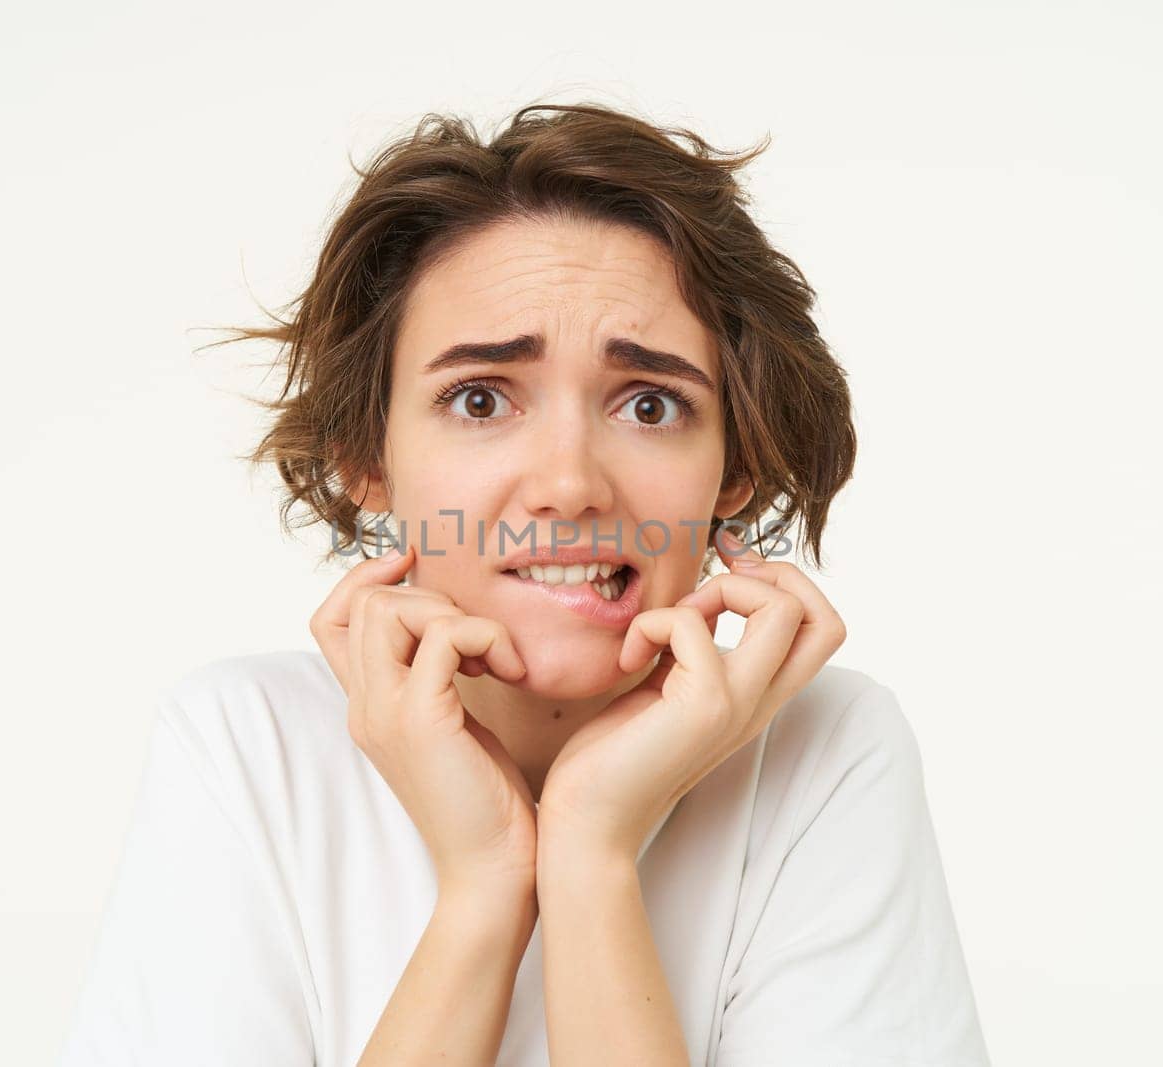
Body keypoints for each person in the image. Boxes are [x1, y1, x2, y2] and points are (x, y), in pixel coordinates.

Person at [57, 101, 991, 1066]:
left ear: (735, 465)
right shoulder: (245, 746)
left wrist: (588, 854)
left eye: (650, 403)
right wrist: (485, 885)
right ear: (365, 460)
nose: (570, 486)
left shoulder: (825, 749)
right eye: (480, 399)